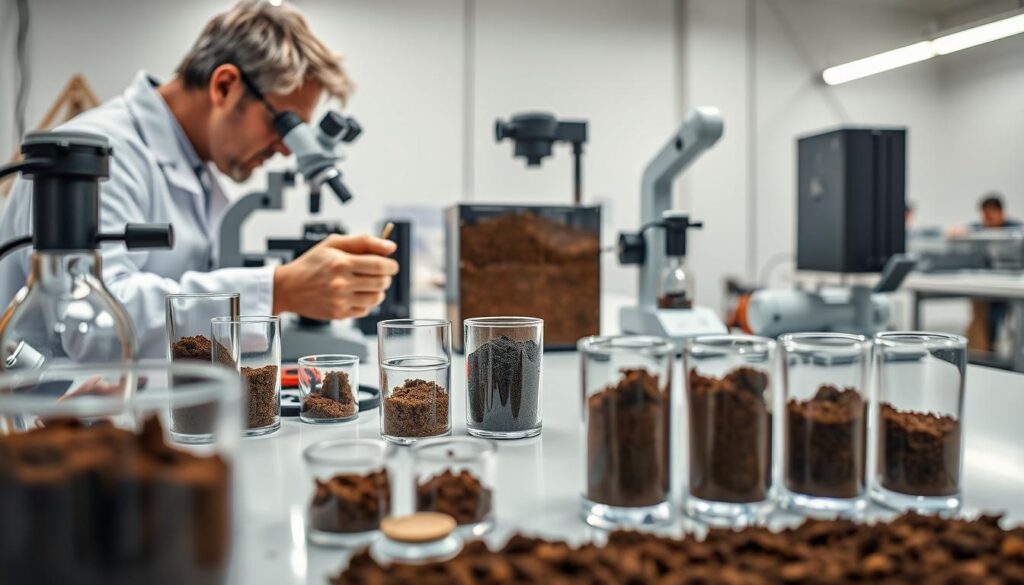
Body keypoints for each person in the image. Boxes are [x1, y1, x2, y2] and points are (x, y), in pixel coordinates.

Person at [0, 1, 398, 357]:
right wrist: (279, 290)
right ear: (225, 85)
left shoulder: (196, 165)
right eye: (285, 125)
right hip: (58, 419)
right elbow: (90, 325)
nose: (286, 149)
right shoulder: (101, 152)